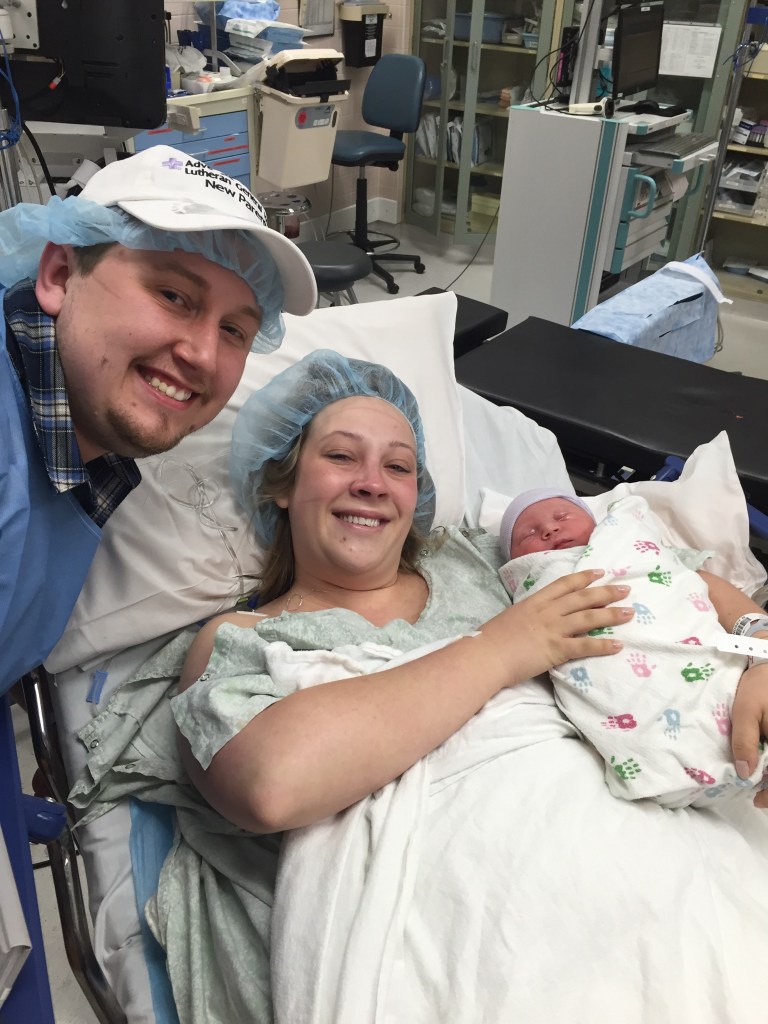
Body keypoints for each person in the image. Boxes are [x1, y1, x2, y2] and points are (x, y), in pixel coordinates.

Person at [71, 353, 768, 1023]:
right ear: (282, 482)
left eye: (398, 466)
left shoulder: (485, 558)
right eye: (341, 456)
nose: (373, 482)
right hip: (481, 912)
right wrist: (503, 648)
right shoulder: (242, 639)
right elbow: (272, 784)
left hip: (647, 841)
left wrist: (760, 648)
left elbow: (661, 581)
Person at [0, 144, 317, 693]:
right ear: (58, 272)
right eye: (173, 296)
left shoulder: (86, 450)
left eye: (234, 331)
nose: (203, 355)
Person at [499, 487, 768, 807]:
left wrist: (762, 653)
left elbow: (697, 587)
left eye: (563, 516)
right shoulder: (533, 584)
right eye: (528, 533)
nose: (549, 528)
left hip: (722, 666)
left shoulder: (634, 543)